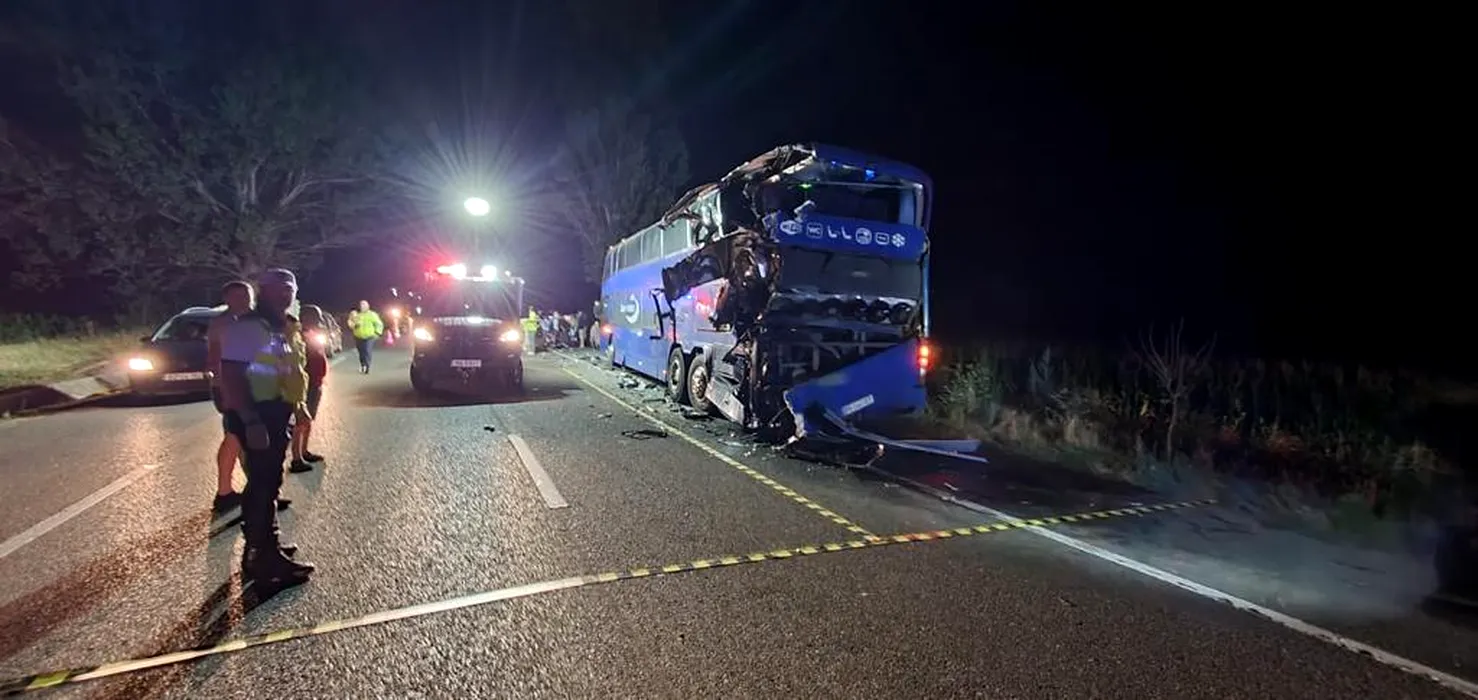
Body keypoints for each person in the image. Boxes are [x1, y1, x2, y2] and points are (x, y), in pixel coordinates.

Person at [217, 268, 315, 586]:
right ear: (263, 291)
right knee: (262, 485)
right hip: (257, 414)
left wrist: (298, 407)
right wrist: (250, 420)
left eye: (289, 288)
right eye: (277, 288)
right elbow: (232, 376)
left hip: (276, 411)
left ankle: (264, 546)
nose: (284, 293)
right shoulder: (249, 327)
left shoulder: (282, 326)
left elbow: (290, 371)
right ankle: (262, 559)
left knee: (269, 482)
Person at [206, 280, 253, 513]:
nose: (243, 300)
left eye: (246, 295)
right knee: (235, 436)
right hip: (233, 386)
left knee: (248, 439)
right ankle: (225, 492)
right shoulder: (223, 324)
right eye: (237, 296)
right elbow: (215, 358)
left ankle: (259, 490)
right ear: (226, 299)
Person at [289, 304, 330, 474]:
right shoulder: (298, 335)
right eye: (313, 318)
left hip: (315, 382)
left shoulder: (313, 333)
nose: (316, 322)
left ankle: (304, 451)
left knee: (309, 419)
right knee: (301, 420)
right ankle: (296, 458)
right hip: (305, 383)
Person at [348, 300, 384, 374]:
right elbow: (350, 322)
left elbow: (379, 324)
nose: (362, 307)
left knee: (367, 350)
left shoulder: (372, 314)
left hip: (369, 337)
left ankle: (367, 366)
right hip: (358, 336)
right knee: (361, 352)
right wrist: (354, 325)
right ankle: (363, 365)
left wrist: (377, 333)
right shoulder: (357, 315)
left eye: (364, 305)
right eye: (361, 305)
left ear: (368, 306)